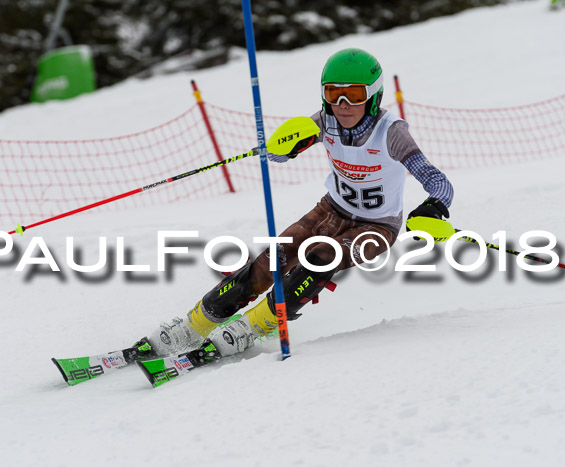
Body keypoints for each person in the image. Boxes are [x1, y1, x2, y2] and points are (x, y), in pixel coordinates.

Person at [134, 48, 454, 361]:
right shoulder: (325, 122)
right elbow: (279, 149)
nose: (342, 105)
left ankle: (255, 325)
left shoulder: (390, 132)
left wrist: (434, 207)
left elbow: (437, 180)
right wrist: (281, 147)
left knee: (318, 259)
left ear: (373, 96)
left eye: (354, 95)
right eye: (333, 94)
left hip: (377, 226)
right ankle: (195, 325)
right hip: (330, 210)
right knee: (268, 263)